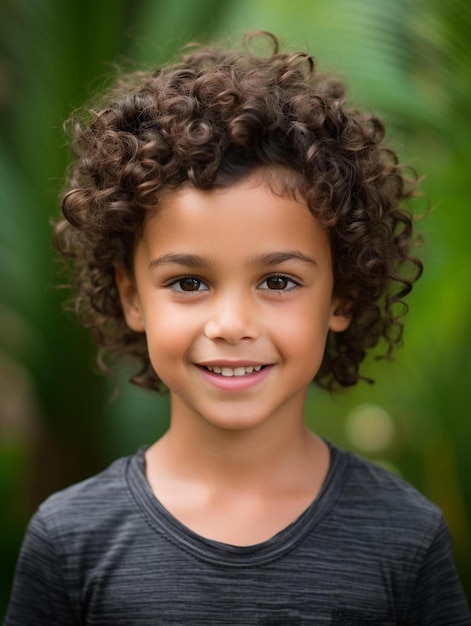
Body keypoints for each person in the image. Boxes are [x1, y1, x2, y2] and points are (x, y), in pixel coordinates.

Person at [4, 31, 470, 625]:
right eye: (189, 283)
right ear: (131, 297)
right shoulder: (70, 541)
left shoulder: (406, 538)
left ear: (342, 294)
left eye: (277, 281)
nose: (230, 324)